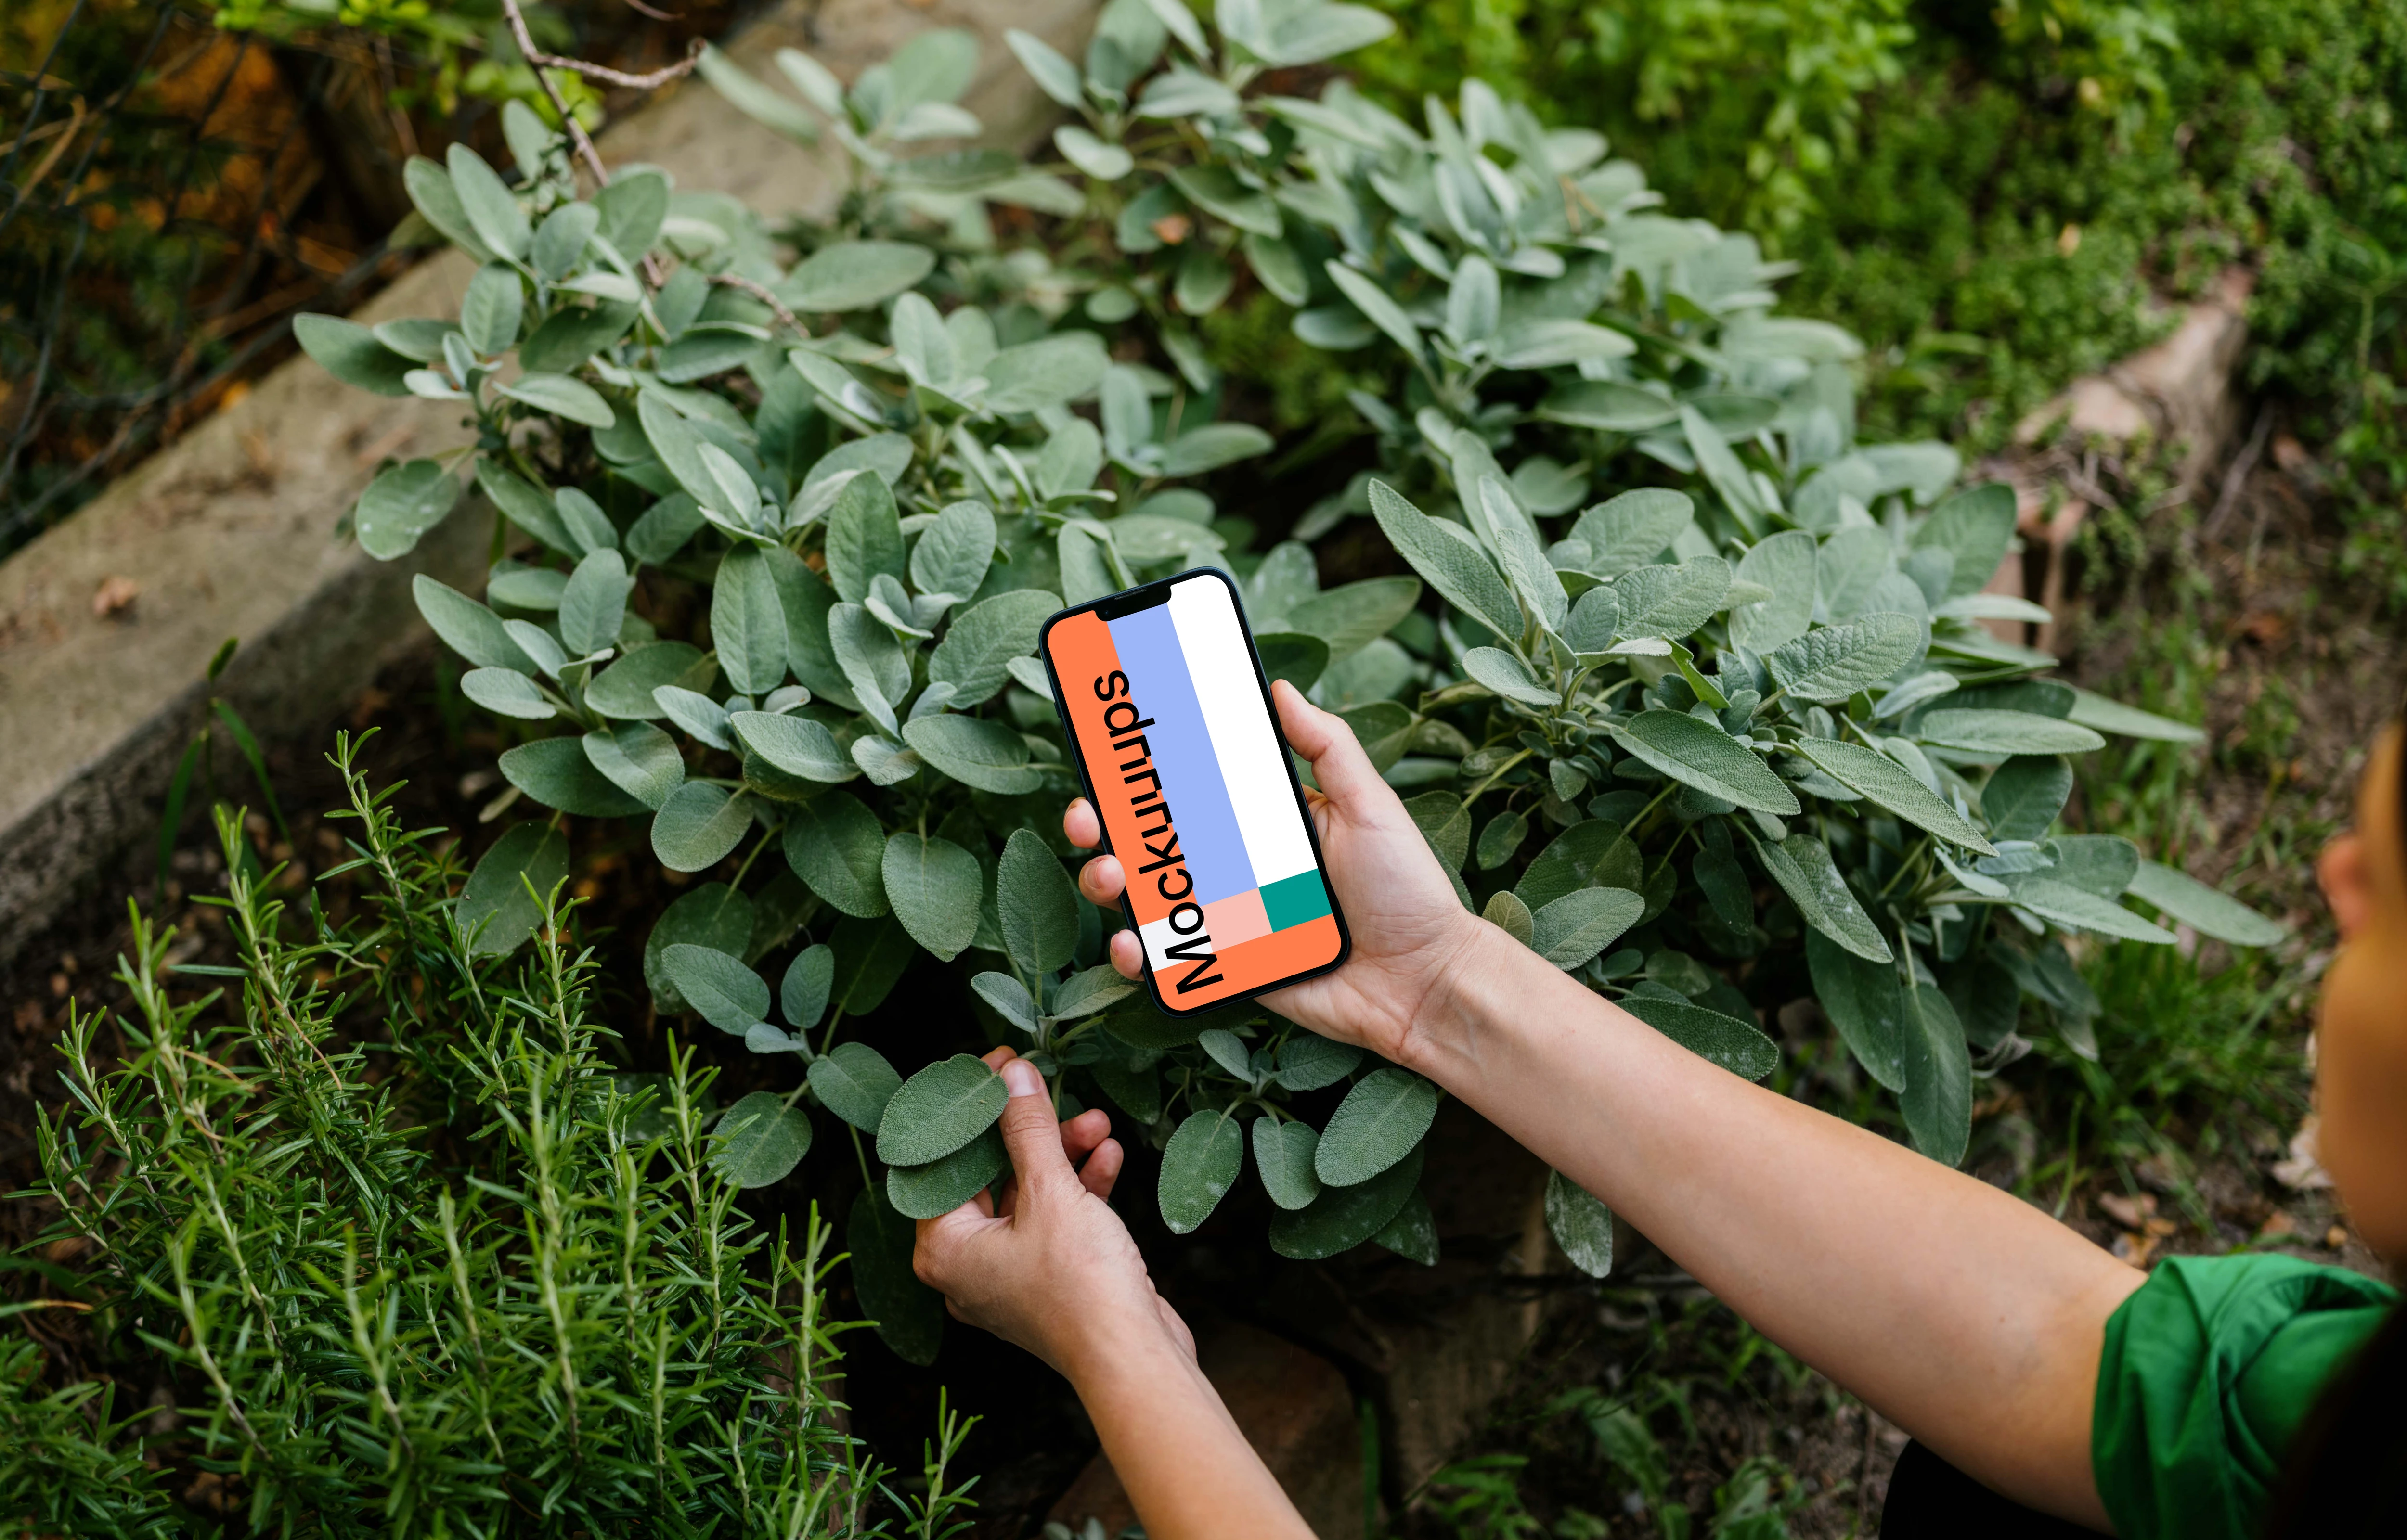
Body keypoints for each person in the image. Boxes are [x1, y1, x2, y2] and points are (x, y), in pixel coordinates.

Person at [912, 681, 2405, 1540]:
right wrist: (1445, 987)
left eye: (2392, 889)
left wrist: (1116, 1343)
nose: (2335, 876)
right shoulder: (2336, 1389)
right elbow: (2061, 1354)